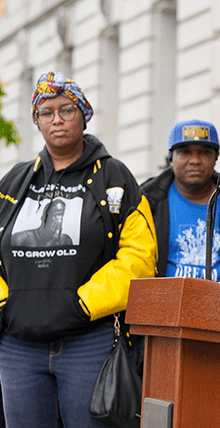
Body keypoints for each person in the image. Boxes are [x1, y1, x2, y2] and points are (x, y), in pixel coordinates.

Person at [0, 71, 157, 427]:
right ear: (37, 121)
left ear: (83, 114)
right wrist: (6, 304)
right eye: (46, 112)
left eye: (67, 110)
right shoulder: (14, 181)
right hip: (19, 347)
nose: (57, 119)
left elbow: (139, 257)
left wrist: (82, 305)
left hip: (89, 343)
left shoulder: (115, 177)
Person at [142, 119, 220, 301]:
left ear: (216, 157)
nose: (195, 161)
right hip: (161, 311)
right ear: (171, 159)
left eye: (204, 152)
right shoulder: (147, 202)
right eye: (185, 152)